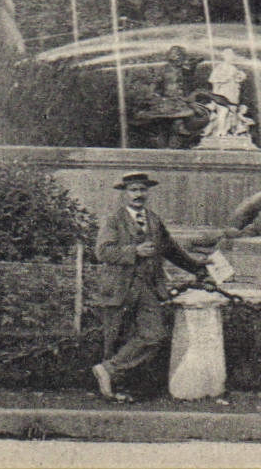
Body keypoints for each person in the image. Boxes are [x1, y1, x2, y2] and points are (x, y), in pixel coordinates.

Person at [90, 171, 212, 402]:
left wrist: (198, 268)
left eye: (142, 190)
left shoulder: (154, 220)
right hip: (120, 287)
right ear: (124, 194)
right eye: (133, 190)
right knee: (117, 336)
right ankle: (113, 389)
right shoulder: (114, 220)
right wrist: (133, 251)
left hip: (147, 288)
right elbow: (102, 252)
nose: (138, 195)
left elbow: (172, 250)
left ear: (148, 193)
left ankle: (109, 370)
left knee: (153, 336)